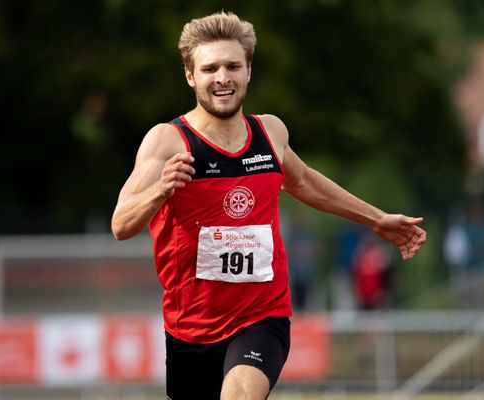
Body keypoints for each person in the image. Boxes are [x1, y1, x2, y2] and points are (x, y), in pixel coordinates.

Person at [111, 11, 426, 400]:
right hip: (190, 329)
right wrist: (160, 190)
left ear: (248, 71)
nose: (222, 78)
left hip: (262, 316)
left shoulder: (269, 134)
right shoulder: (168, 142)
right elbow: (121, 224)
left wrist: (377, 219)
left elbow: (306, 182)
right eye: (210, 68)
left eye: (232, 66)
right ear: (191, 76)